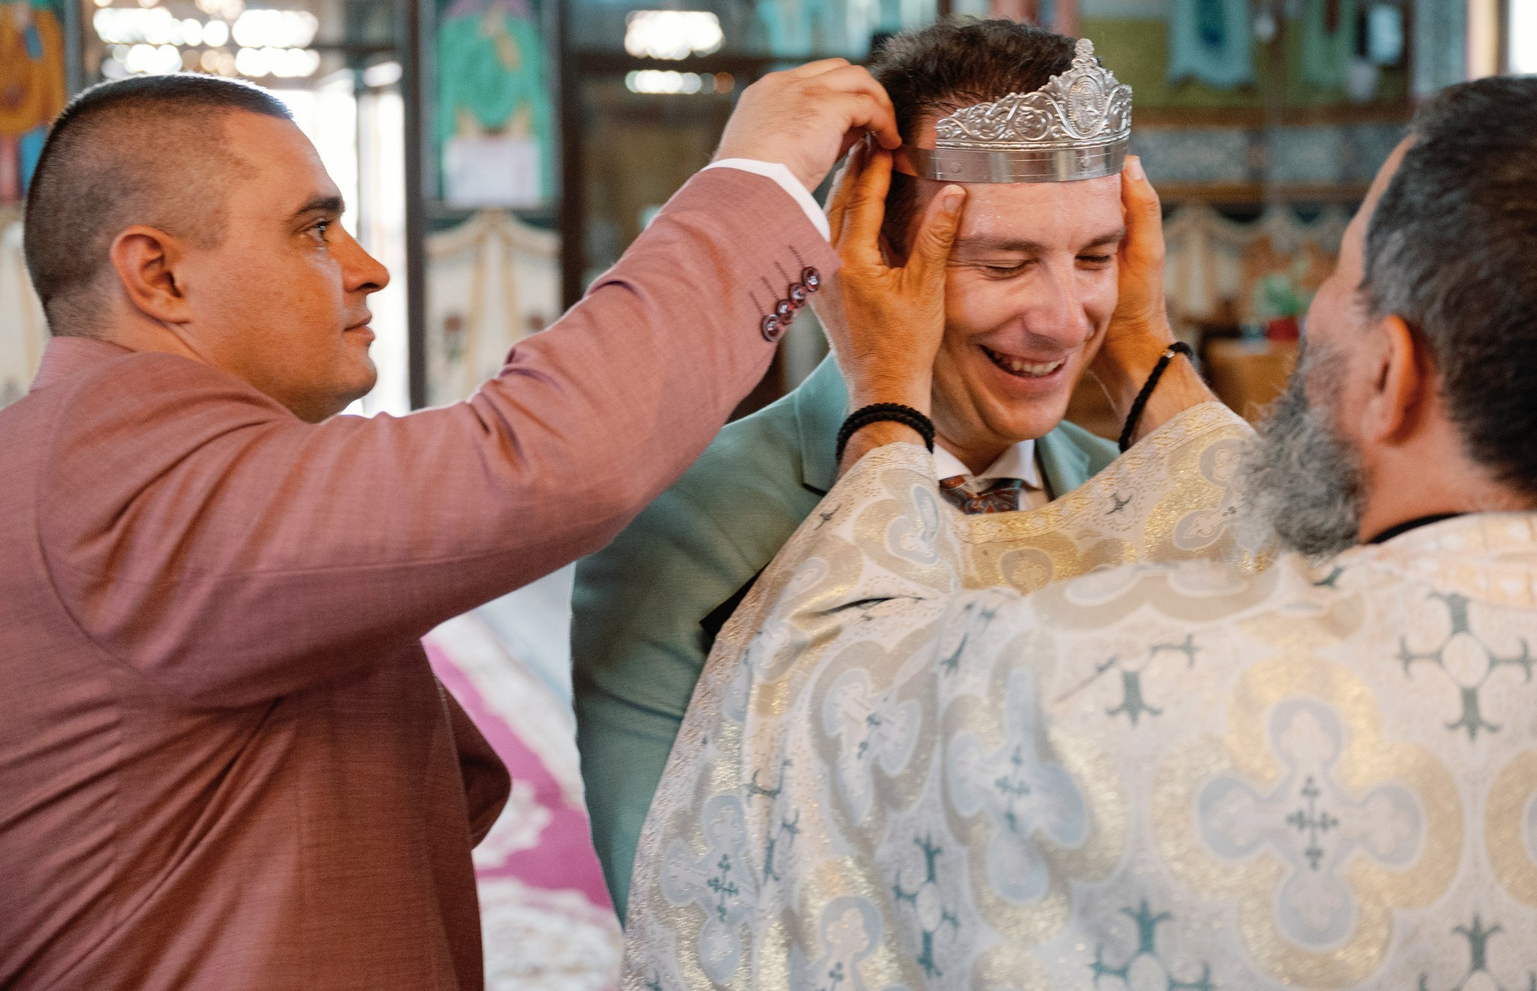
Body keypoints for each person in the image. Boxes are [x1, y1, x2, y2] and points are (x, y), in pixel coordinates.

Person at [622, 76, 1537, 989]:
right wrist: (1149, 362)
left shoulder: (1111, 686)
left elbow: (830, 690)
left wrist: (885, 400)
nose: (1063, 309)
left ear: (1392, 371)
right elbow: (1357, 557)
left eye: (1343, 279)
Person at [0, 62, 902, 989]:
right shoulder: (117, 469)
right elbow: (541, 456)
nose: (369, 267)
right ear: (159, 274)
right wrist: (758, 177)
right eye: (315, 229)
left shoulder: (97, 452)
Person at [573, 20, 1134, 914]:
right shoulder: (687, 519)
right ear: (873, 250)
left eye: (1096, 257)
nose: (1067, 320)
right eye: (1004, 264)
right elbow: (674, 899)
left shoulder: (1140, 494)